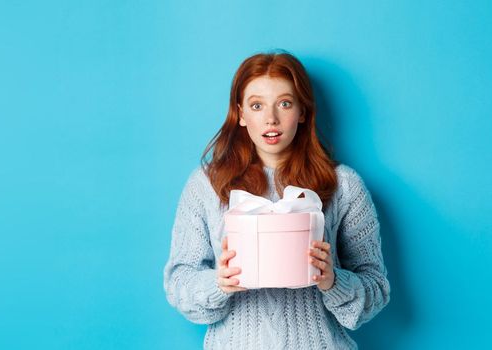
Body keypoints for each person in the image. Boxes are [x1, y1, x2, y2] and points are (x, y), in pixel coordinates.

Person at [162, 50, 391, 349]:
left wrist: (332, 281)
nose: (271, 119)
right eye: (257, 105)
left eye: (284, 103)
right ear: (241, 114)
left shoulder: (344, 185)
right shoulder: (205, 185)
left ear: (303, 111)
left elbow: (376, 288)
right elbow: (178, 282)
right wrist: (220, 283)